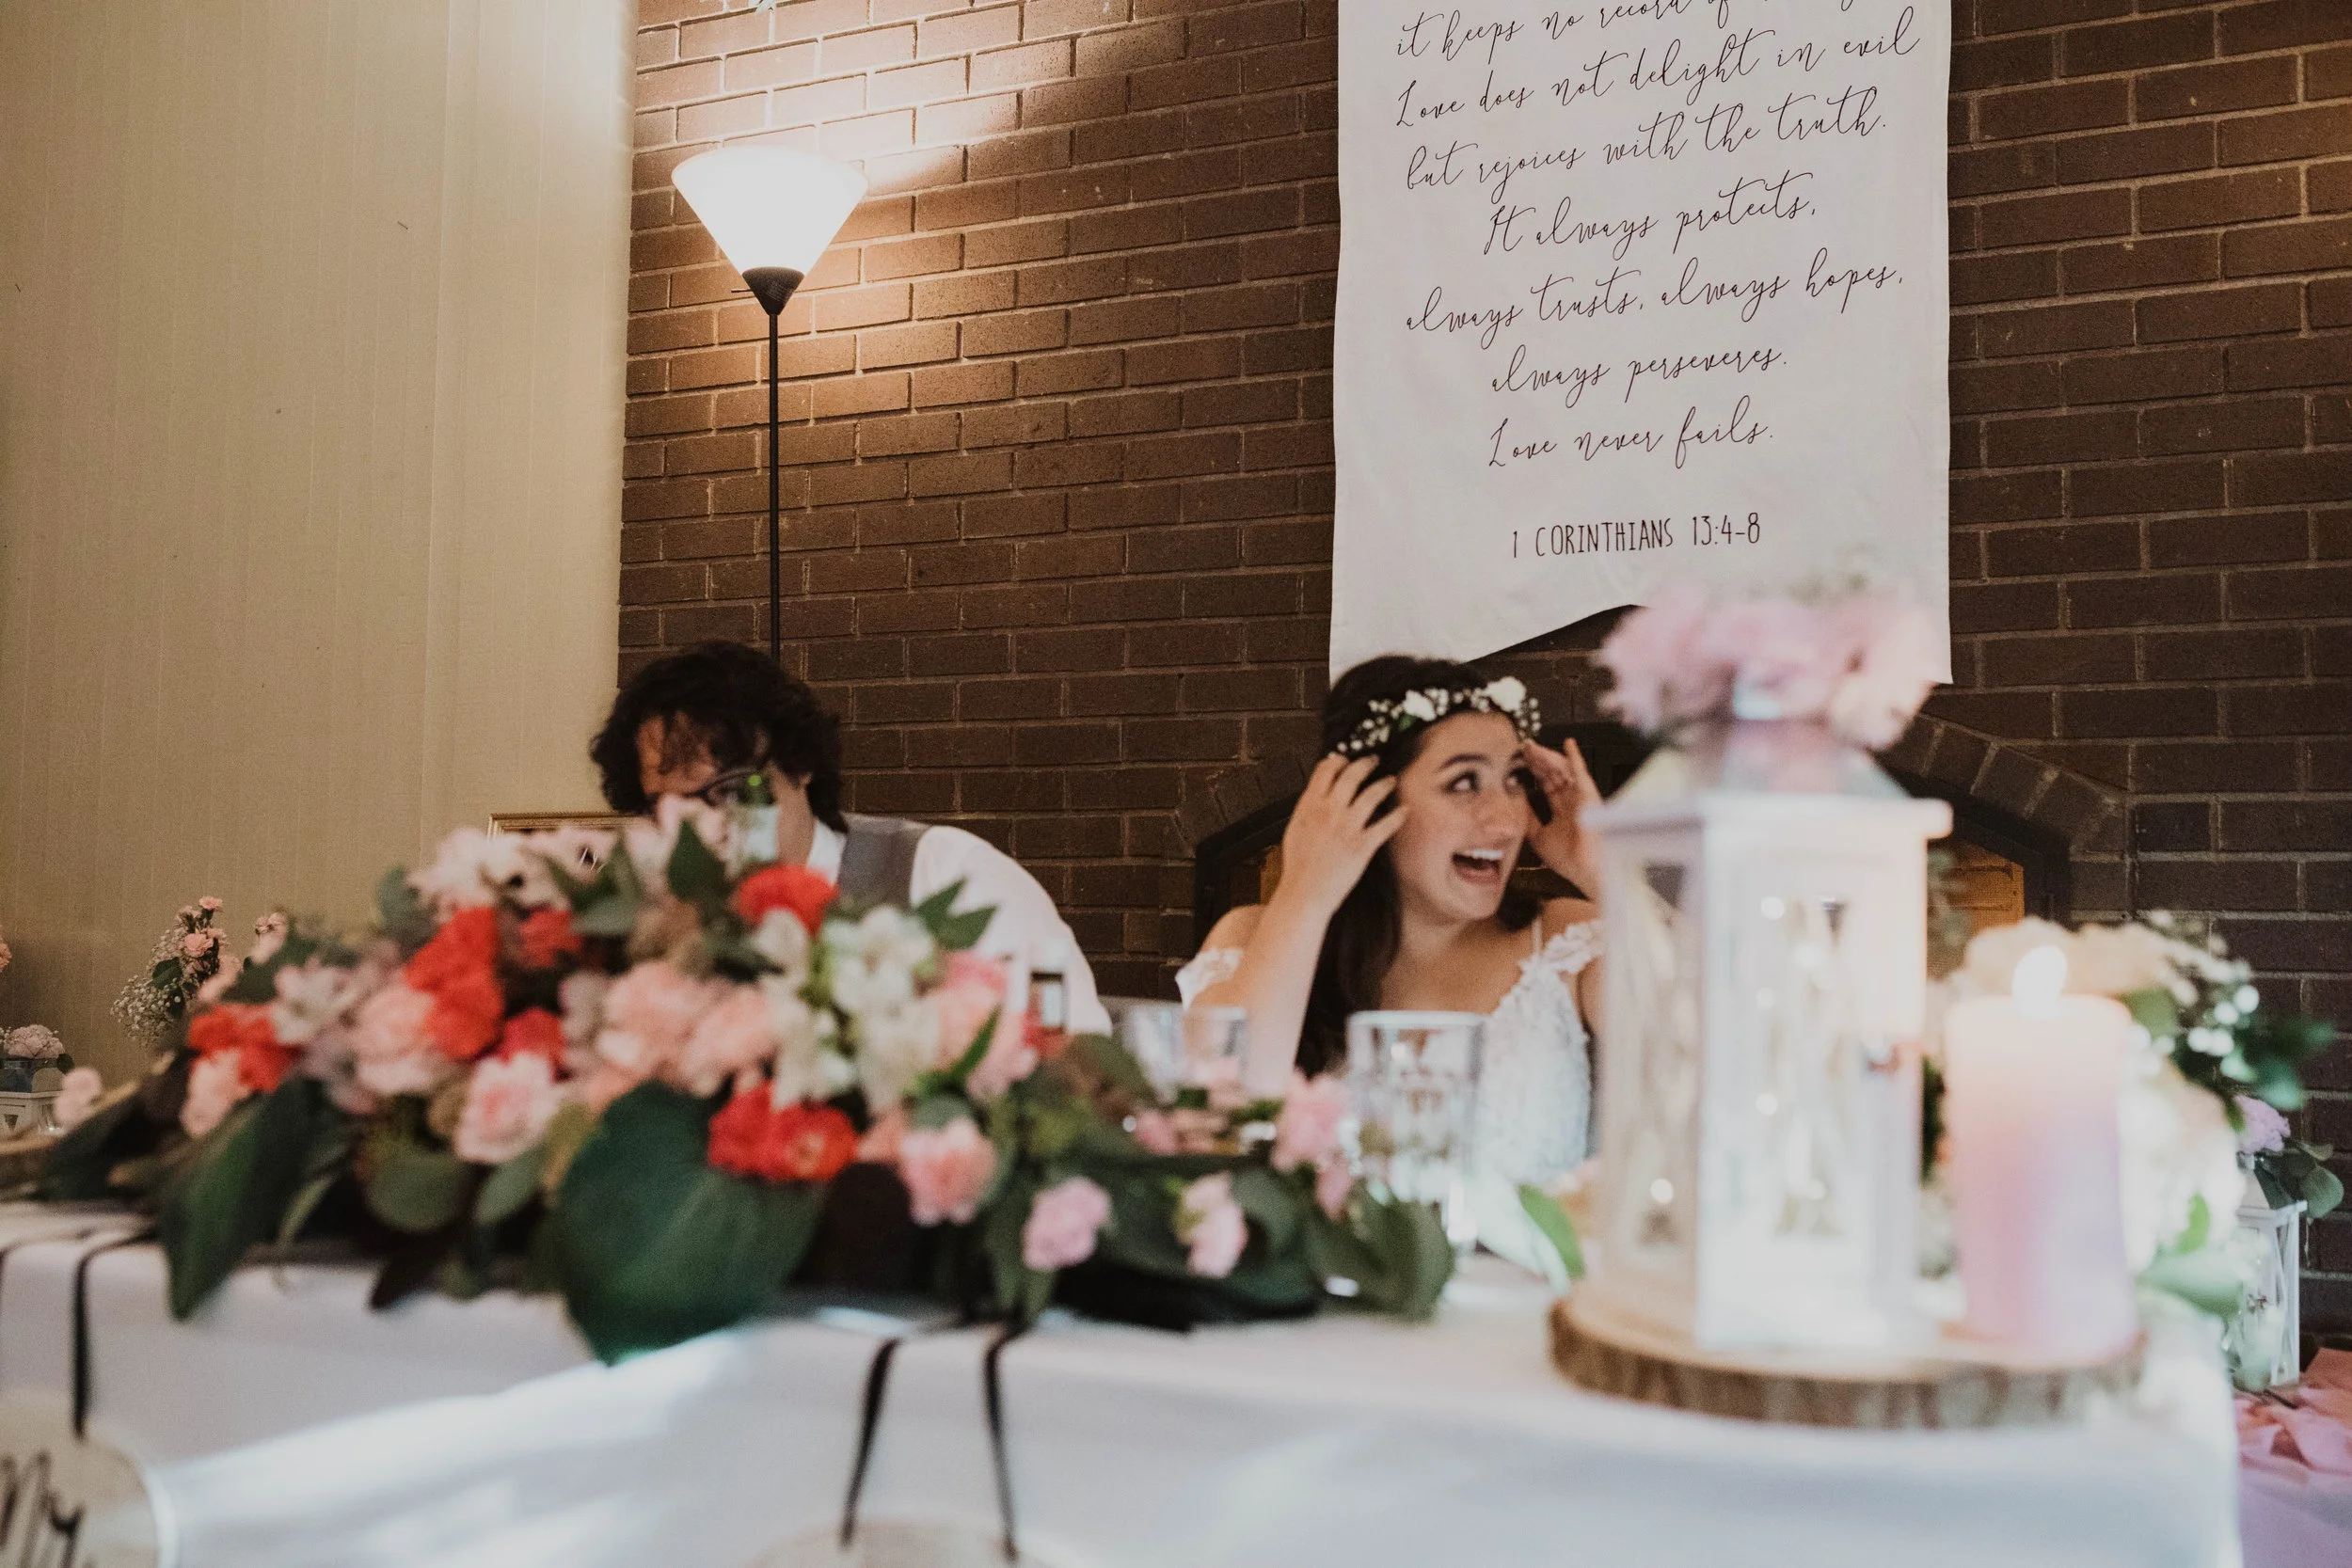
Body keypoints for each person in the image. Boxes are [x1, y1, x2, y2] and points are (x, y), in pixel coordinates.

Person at [1178, 656, 1604, 1256]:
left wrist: (1607, 869)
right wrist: (1306, 888)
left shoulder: (1568, 941)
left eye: (1514, 779)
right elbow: (1215, 1124)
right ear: (1369, 800)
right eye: (1464, 782)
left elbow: (1735, 1053)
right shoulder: (1252, 937)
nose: (1508, 819)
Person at [592, 642, 1109, 1035]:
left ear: (799, 767)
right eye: (668, 811)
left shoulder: (943, 875)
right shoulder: (657, 931)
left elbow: (1072, 1066)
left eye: (730, 792)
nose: (701, 833)